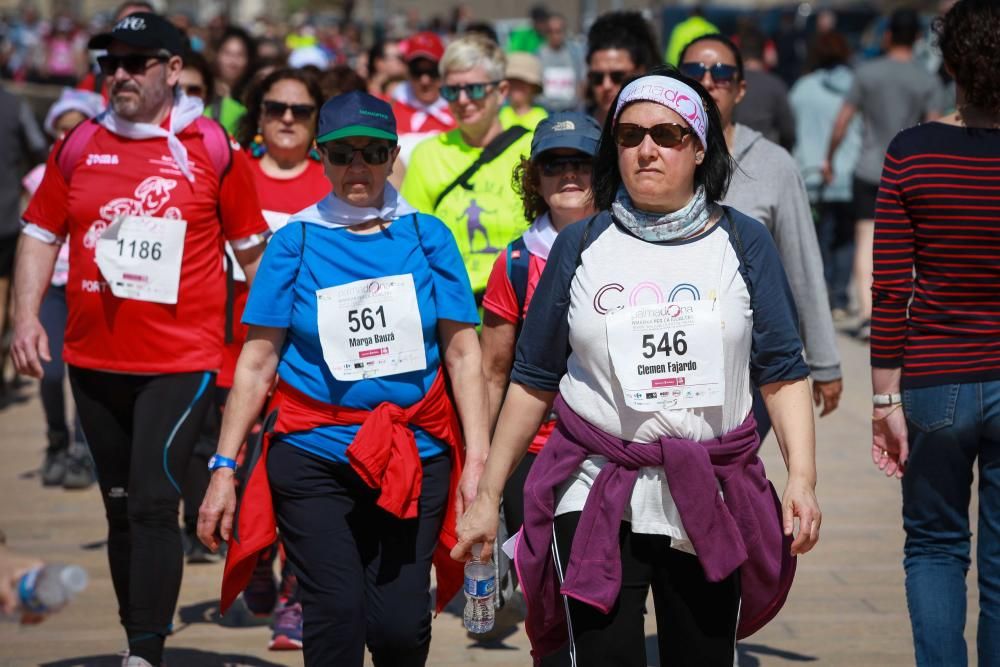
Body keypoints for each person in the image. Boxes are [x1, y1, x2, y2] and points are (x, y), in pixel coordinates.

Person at [453, 68, 820, 666]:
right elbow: (534, 378)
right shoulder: (580, 244)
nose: (647, 149)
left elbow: (781, 370)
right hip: (595, 485)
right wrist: (488, 493)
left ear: (699, 146)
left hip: (710, 491)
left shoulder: (743, 241)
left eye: (668, 135)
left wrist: (801, 477)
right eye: (629, 135)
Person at [10, 14, 269, 667]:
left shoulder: (209, 146)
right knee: (120, 505)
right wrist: (26, 317)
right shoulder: (79, 145)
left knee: (155, 499)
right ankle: (137, 633)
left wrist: (265, 349)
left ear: (173, 70)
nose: (120, 74)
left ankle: (145, 652)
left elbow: (253, 252)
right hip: (95, 356)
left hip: (182, 357)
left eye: (137, 62)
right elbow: (41, 232)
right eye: (110, 62)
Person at [197, 91, 490, 667]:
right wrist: (223, 469)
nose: (358, 167)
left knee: (401, 627)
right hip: (313, 453)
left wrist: (476, 461)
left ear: (393, 154)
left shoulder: (428, 237)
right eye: (341, 154)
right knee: (336, 614)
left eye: (373, 152)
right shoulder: (294, 243)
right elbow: (256, 363)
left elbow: (463, 355)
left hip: (415, 453)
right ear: (321, 158)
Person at [869, 0, 1000, 663]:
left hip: (936, 379)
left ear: (948, 62)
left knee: (935, 548)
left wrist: (883, 398)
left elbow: (891, 286)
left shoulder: (912, 152)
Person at [210, 67, 329, 649]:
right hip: (230, 352)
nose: (286, 118)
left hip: (304, 362)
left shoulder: (333, 183)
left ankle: (294, 594)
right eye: (276, 107)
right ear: (257, 115)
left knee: (292, 478)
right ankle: (254, 557)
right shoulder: (234, 175)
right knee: (239, 468)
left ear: (315, 123)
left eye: (300, 110)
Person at [680, 34, 844, 435]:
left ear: (740, 88)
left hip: (749, 371)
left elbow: (802, 265)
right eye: (693, 71)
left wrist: (824, 362)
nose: (707, 80)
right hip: (671, 365)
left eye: (721, 72)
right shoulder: (650, 159)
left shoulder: (774, 164)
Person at [824, 8, 944, 341]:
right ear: (918, 38)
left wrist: (829, 158)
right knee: (915, 244)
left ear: (887, 35)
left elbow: (842, 121)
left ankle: (867, 316)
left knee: (866, 240)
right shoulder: (927, 79)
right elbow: (934, 127)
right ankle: (905, 312)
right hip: (913, 170)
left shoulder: (867, 73)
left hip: (869, 168)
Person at [401, 34, 534, 299]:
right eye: (451, 91)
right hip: (456, 311)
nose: (462, 100)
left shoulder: (532, 149)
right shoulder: (427, 155)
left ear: (502, 91)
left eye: (473, 89)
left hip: (524, 308)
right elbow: (412, 242)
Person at [22, 88, 104, 490]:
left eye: (75, 130)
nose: (65, 139)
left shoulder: (106, 173)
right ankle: (56, 440)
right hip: (54, 289)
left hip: (91, 288)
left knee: (85, 376)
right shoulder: (40, 176)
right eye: (59, 132)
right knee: (50, 372)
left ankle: (81, 450)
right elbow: (34, 232)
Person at [789, 32, 862, 321]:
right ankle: (841, 299)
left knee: (819, 240)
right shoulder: (857, 87)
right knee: (846, 238)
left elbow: (791, 128)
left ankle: (823, 296)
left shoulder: (803, 88)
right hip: (849, 174)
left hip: (812, 176)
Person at [0, 82, 47, 395]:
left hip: (4, 218)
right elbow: (38, 148)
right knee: (3, 295)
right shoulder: (15, 106)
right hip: (3, 216)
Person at [584, 11, 661, 126]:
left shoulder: (664, 126)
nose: (606, 85)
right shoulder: (577, 128)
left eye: (618, 76)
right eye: (597, 78)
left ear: (643, 72)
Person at [390, 31, 455, 165]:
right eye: (417, 72)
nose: (425, 80)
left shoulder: (461, 110)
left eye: (432, 72)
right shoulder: (388, 109)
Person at [731, 27, 796, 151]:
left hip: (733, 154)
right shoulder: (775, 85)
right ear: (764, 53)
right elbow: (788, 132)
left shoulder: (730, 83)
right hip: (766, 154)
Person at [179, 50, 247, 137]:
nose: (184, 97)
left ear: (206, 92)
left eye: (194, 90)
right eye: (177, 90)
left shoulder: (237, 115)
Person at [537, 13, 585, 113]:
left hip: (571, 110)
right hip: (545, 110)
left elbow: (582, 82)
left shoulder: (575, 54)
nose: (555, 35)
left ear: (564, 32)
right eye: (550, 31)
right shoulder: (538, 55)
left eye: (558, 31)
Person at [499, 52, 547, 130]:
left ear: (533, 86)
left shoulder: (542, 118)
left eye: (521, 82)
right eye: (512, 82)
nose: (516, 86)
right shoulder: (501, 114)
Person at [213, 25, 257, 103]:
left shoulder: (253, 95)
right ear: (217, 55)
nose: (233, 61)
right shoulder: (205, 90)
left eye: (240, 55)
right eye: (227, 53)